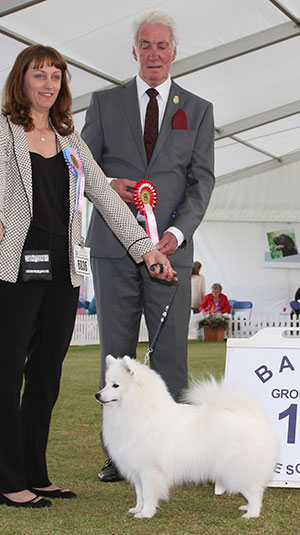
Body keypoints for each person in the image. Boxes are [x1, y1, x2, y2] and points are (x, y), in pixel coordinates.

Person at [0, 45, 176, 509]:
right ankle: (7, 479)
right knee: (6, 373)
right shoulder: (3, 132)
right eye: (39, 74)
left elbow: (106, 197)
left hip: (63, 270)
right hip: (12, 266)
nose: (48, 84)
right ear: (22, 80)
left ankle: (35, 473)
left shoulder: (70, 140)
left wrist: (146, 249)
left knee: (45, 377)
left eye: (56, 76)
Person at [82, 10, 215, 482]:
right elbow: (82, 167)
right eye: (145, 45)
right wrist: (111, 182)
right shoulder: (103, 103)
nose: (154, 53)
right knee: (115, 353)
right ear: (134, 52)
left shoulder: (197, 109)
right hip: (113, 249)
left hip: (171, 255)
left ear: (174, 52)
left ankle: (175, 454)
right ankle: (118, 456)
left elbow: (201, 183)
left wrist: (175, 235)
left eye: (162, 45)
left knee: (171, 356)